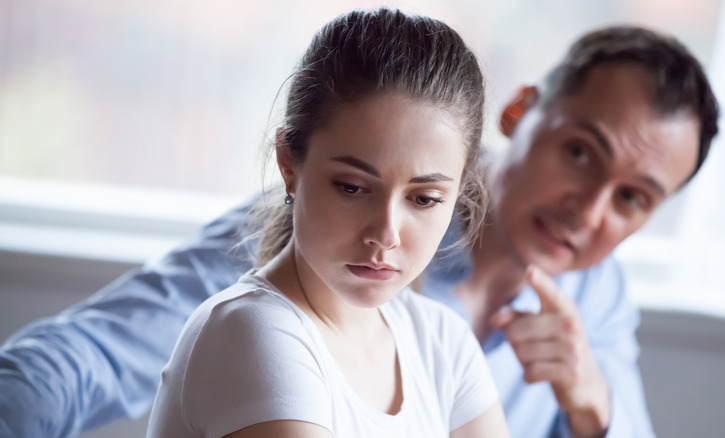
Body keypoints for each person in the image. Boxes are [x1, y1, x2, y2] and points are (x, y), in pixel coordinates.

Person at [0, 23, 718, 438]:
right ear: (518, 113)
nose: (587, 211)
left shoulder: (592, 301)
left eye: (632, 198)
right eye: (579, 153)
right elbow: (79, 357)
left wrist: (596, 407)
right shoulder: (292, 257)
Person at [143, 8, 509, 438]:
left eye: (424, 198)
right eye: (352, 187)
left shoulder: (443, 343)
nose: (386, 234)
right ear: (289, 163)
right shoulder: (252, 332)